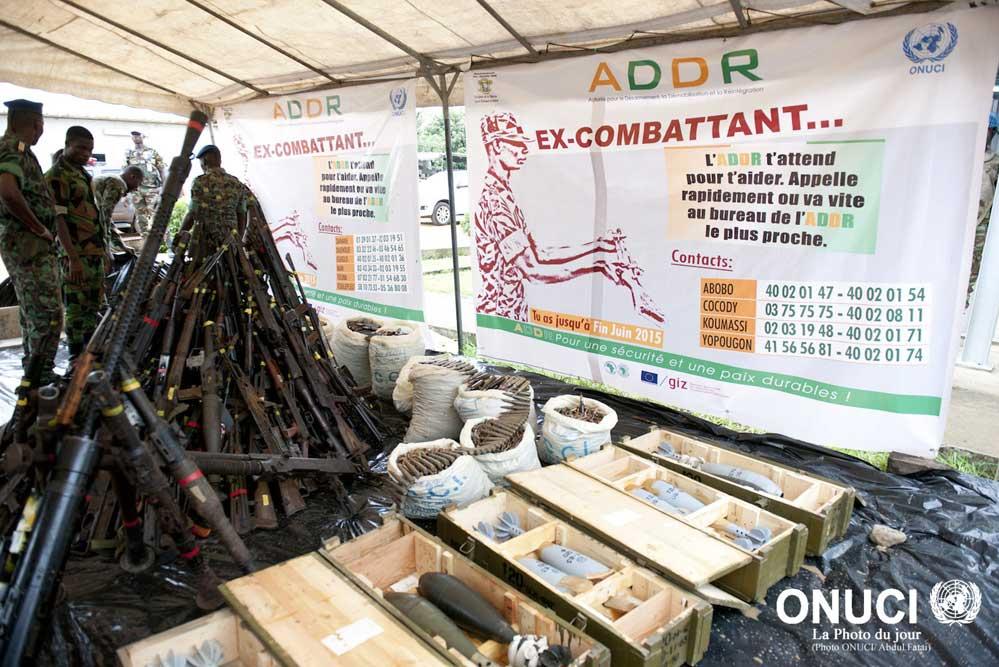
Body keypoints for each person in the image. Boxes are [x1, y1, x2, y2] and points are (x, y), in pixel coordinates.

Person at [474, 111, 664, 324]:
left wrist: (598, 246)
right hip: (499, 318)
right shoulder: (495, 202)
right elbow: (533, 270)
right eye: (516, 143)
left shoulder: (505, 195)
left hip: (512, 313)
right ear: (497, 146)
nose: (524, 149)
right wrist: (597, 262)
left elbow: (540, 254)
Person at [0, 99, 63, 384]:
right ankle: (42, 375)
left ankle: (34, 374)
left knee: (33, 311)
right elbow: (8, 192)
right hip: (29, 245)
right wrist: (39, 228)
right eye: (41, 125)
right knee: (48, 313)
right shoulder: (13, 148)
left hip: (27, 245)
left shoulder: (19, 150)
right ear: (37, 124)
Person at [46, 126, 106, 365]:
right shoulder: (57, 176)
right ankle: (75, 356)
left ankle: (89, 355)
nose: (86, 153)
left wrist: (104, 250)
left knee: (93, 304)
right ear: (67, 144)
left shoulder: (82, 174)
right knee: (76, 307)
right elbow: (58, 219)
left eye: (89, 150)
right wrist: (72, 257)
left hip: (92, 251)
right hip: (75, 254)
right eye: (81, 148)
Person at [177, 145, 247, 256]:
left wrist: (179, 236)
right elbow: (242, 215)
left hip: (206, 245)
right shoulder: (236, 183)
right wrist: (238, 241)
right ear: (220, 160)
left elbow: (192, 214)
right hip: (230, 245)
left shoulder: (200, 182)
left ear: (205, 161)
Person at [93, 165, 144, 255]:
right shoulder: (119, 184)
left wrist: (122, 246)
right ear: (132, 176)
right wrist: (107, 251)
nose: (136, 188)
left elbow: (106, 217)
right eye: (139, 183)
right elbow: (105, 216)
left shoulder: (114, 179)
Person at [125, 130, 165, 236]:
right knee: (141, 216)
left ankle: (163, 240)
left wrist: (164, 186)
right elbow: (125, 171)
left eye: (138, 135)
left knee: (157, 216)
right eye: (133, 135)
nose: (136, 137)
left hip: (152, 189)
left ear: (143, 136)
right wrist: (126, 191)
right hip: (136, 190)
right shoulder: (129, 153)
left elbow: (161, 168)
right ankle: (145, 240)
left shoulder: (152, 152)